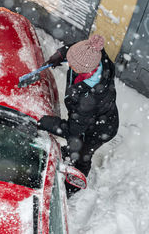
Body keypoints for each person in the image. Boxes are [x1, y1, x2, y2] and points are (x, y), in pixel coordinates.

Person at [37, 34, 119, 196]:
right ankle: (71, 152)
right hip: (92, 119)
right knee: (75, 144)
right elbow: (79, 49)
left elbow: (73, 129)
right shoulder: (95, 54)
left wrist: (45, 122)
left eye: (73, 65)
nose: (70, 65)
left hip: (100, 129)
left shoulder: (90, 99)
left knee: (83, 154)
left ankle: (72, 187)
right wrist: (61, 55)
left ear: (87, 70)